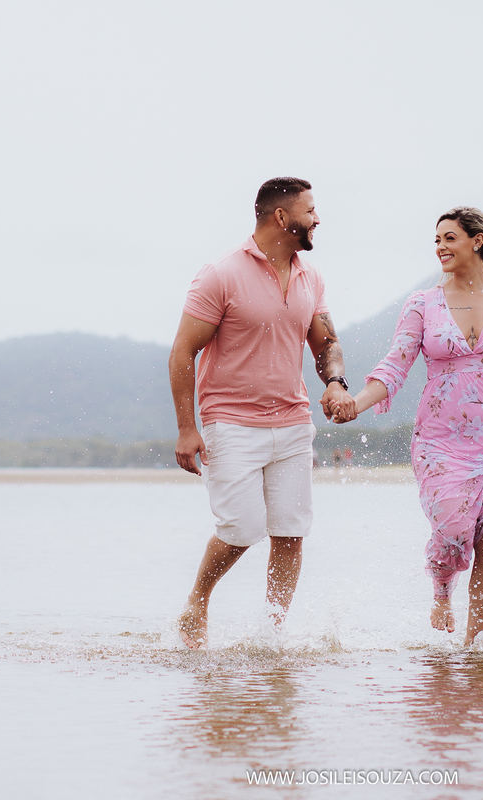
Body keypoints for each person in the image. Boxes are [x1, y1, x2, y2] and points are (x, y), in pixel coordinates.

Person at [337, 207, 483, 645]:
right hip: (441, 439)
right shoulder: (422, 304)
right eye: (436, 240)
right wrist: (356, 405)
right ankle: (441, 589)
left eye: (449, 238)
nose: (440, 247)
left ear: (477, 241)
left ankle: (473, 644)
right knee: (454, 529)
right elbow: (394, 367)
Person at [170, 177, 356, 649]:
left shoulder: (311, 278)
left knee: (290, 533)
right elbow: (182, 352)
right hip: (230, 422)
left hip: (293, 423)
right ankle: (197, 601)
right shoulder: (221, 274)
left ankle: (270, 635)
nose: (318, 219)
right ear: (281, 217)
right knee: (242, 528)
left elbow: (326, 343)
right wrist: (187, 429)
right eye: (310, 210)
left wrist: (334, 382)